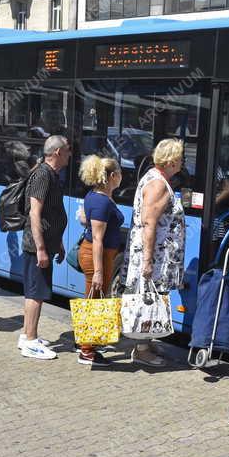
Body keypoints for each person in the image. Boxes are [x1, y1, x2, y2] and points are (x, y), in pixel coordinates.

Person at [123, 139, 187, 367]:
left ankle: (146, 342)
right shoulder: (158, 184)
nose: (183, 161)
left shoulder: (155, 178)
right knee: (146, 298)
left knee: (151, 298)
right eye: (180, 158)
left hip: (157, 254)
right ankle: (141, 350)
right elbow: (149, 224)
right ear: (170, 161)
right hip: (154, 256)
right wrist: (148, 262)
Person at [18, 135, 71, 360]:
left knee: (36, 291)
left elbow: (52, 212)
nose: (70, 154)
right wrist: (41, 248)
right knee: (35, 293)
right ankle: (30, 341)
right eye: (68, 150)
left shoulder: (50, 174)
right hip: (36, 246)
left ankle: (27, 335)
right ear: (58, 152)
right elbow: (35, 213)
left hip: (47, 243)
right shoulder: (43, 175)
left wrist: (57, 242)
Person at [76, 155, 124, 367]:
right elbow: (97, 238)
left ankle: (88, 343)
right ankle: (86, 351)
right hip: (98, 255)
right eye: (120, 174)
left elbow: (87, 219)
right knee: (94, 300)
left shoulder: (98, 196)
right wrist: (98, 270)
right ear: (113, 176)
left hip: (103, 254)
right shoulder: (102, 201)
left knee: (95, 299)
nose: (122, 177)